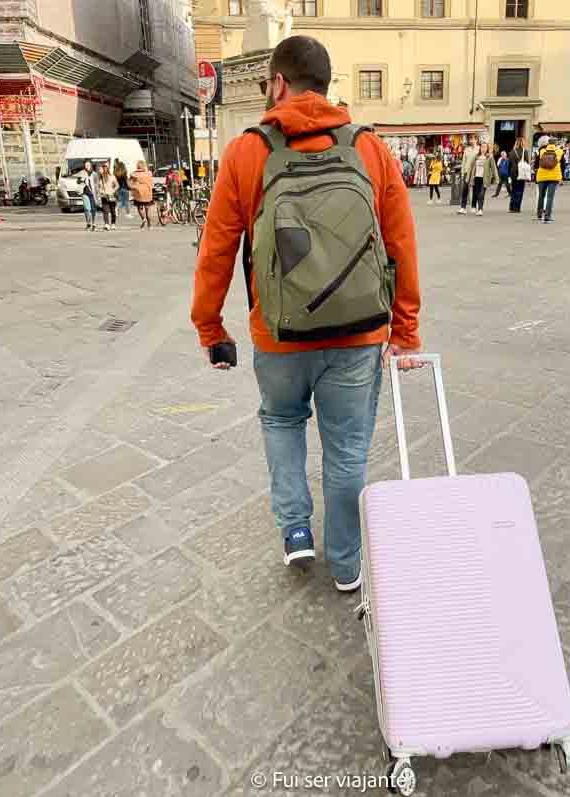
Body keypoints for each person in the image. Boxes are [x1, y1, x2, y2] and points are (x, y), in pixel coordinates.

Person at [191, 35, 421, 593]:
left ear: (277, 83)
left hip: (278, 334)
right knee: (347, 451)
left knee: (282, 421)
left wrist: (210, 327)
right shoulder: (369, 148)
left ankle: (296, 532)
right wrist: (405, 332)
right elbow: (400, 243)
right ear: (327, 83)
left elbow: (217, 247)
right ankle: (346, 565)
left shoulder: (247, 150)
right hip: (359, 332)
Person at [534, 135, 563, 223]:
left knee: (541, 196)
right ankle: (547, 216)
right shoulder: (559, 151)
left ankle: (539, 214)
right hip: (554, 177)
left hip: (542, 176)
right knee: (550, 197)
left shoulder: (542, 151)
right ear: (556, 143)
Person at [465, 141, 497, 216]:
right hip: (476, 177)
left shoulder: (489, 157)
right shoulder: (476, 156)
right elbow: (471, 167)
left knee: (481, 194)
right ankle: (474, 206)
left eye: (485, 147)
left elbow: (494, 168)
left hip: (484, 178)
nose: (483, 148)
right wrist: (468, 177)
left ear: (487, 148)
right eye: (482, 147)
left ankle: (480, 209)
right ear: (480, 148)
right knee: (476, 193)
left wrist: (496, 179)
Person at [458, 135, 480, 214]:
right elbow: (464, 161)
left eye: (472, 139)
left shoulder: (479, 149)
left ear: (476, 140)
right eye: (470, 139)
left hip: (476, 171)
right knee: (465, 189)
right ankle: (463, 207)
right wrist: (462, 172)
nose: (471, 141)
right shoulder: (467, 149)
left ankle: (473, 206)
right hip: (467, 171)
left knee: (475, 189)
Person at [129, 160, 154, 229]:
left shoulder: (134, 174)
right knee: (147, 209)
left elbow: (129, 182)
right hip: (148, 193)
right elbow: (151, 182)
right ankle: (149, 224)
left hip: (138, 193)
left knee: (139, 208)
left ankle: (143, 219)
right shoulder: (149, 173)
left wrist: (133, 187)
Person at [508, 137, 529, 213]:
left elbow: (509, 165)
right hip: (522, 173)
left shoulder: (511, 152)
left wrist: (509, 175)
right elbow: (527, 163)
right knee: (520, 191)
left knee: (513, 190)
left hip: (513, 174)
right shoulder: (525, 152)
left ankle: (511, 207)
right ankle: (517, 208)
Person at [98, 162, 119, 230]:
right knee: (105, 211)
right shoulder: (101, 177)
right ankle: (106, 224)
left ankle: (113, 224)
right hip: (104, 196)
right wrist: (102, 192)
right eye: (103, 167)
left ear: (108, 168)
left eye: (106, 167)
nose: (104, 168)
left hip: (112, 196)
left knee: (113, 211)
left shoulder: (112, 177)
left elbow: (117, 185)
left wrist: (112, 191)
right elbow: (99, 187)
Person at [79, 160, 99, 231]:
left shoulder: (95, 174)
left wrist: (97, 195)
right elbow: (78, 181)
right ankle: (88, 223)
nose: (86, 167)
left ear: (91, 165)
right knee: (87, 209)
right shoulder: (82, 173)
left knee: (93, 209)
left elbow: (97, 185)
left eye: (88, 165)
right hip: (85, 193)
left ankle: (94, 224)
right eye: (85, 165)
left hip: (93, 193)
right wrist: (81, 180)